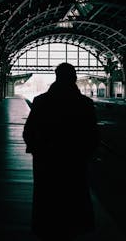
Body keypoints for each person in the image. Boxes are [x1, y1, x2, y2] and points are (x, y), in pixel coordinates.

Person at [22, 62, 100, 241]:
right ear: (73, 78)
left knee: (47, 202)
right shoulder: (85, 104)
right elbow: (93, 136)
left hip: (46, 164)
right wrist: (82, 155)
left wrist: (40, 151)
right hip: (74, 164)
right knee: (73, 203)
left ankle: (47, 231)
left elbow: (28, 132)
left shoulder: (41, 101)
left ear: (57, 77)